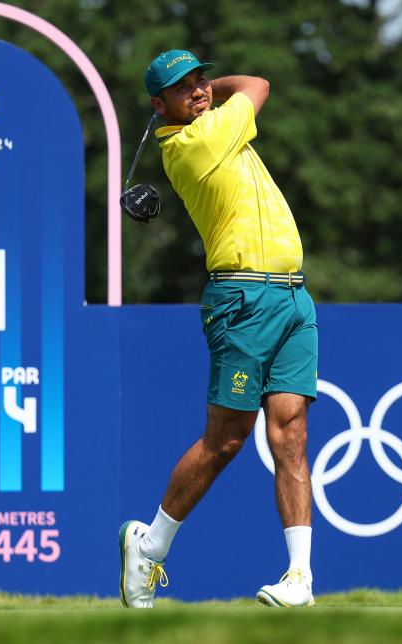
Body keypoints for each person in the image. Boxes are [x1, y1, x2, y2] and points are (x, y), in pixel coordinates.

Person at [119, 49, 318, 609]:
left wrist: (208, 88)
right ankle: (149, 545)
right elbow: (256, 82)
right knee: (226, 439)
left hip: (292, 294)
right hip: (242, 297)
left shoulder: (213, 121)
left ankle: (299, 579)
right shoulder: (192, 145)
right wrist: (222, 91)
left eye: (201, 80)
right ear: (160, 107)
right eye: (182, 89)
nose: (200, 91)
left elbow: (247, 85)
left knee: (292, 434)